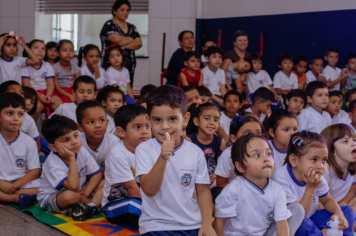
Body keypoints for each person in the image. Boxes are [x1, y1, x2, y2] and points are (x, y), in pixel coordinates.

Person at [135, 85, 216, 235]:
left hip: (192, 225)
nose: (165, 126)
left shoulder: (195, 152)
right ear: (149, 121)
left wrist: (207, 224)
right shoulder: (144, 149)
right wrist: (163, 158)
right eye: (157, 120)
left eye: (172, 119)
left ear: (185, 119)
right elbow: (149, 190)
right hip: (156, 226)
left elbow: (203, 191)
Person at [271, 131, 355, 236]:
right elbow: (297, 217)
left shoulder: (316, 174)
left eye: (324, 160)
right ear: (294, 160)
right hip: (293, 224)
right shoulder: (281, 179)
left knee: (347, 211)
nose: (320, 166)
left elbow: (327, 200)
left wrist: (339, 215)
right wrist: (310, 188)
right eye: (314, 159)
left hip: (312, 217)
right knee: (304, 224)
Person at [214, 134, 296, 236]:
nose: (266, 159)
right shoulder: (233, 190)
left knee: (296, 210)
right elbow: (219, 221)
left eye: (268, 153)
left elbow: (282, 225)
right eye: (257, 155)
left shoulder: (278, 190)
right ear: (240, 166)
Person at [38, 115, 103, 221]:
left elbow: (96, 174)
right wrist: (71, 158)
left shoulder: (80, 150)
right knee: (70, 196)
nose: (74, 141)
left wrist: (86, 192)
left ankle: (89, 207)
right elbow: (73, 186)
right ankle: (95, 205)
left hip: (81, 191)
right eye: (66, 140)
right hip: (55, 197)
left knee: (106, 182)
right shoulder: (52, 163)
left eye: (75, 135)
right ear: (54, 147)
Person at [102, 104, 151, 227]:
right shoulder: (118, 154)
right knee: (133, 207)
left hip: (143, 198)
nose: (145, 131)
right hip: (116, 204)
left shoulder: (150, 148)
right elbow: (131, 189)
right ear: (121, 131)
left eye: (147, 126)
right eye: (137, 127)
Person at [0, 93, 40, 209]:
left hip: (22, 184)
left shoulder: (29, 142)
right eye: (9, 113)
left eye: (20, 114)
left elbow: (34, 171)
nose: (16, 118)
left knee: (43, 188)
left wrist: (15, 186)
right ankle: (14, 198)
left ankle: (8, 196)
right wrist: (2, 184)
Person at [321, 124, 356, 231]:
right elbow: (318, 200)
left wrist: (343, 205)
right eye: (346, 141)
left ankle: (348, 225)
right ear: (332, 150)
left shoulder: (352, 167)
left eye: (354, 140)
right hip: (324, 209)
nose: (353, 144)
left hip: (342, 205)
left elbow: (351, 191)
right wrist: (337, 210)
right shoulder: (326, 171)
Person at [100, 0, 142, 88]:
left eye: (127, 10)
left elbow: (138, 44)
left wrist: (124, 45)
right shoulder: (109, 25)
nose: (125, 13)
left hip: (129, 63)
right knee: (111, 89)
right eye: (122, 10)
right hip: (110, 63)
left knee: (126, 88)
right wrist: (131, 39)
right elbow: (118, 40)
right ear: (115, 11)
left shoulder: (132, 27)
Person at [215, 116, 262, 189]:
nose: (254, 136)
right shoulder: (228, 155)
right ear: (233, 138)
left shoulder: (263, 154)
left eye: (258, 133)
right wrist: (245, 189)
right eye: (247, 133)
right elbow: (220, 184)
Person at [21, 39, 63, 121]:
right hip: (32, 92)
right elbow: (26, 85)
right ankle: (30, 131)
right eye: (36, 48)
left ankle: (53, 130)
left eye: (43, 49)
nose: (40, 51)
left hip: (47, 92)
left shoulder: (47, 65)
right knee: (37, 107)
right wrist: (39, 96)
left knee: (61, 107)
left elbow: (51, 84)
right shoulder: (25, 66)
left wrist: (49, 95)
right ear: (29, 50)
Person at [186, 103, 226, 186]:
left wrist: (216, 175)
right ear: (196, 121)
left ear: (218, 124)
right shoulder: (189, 140)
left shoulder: (220, 142)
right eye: (207, 118)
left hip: (212, 182)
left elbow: (221, 167)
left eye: (216, 120)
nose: (212, 122)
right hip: (193, 181)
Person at [76, 100, 120, 173]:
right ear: (80, 128)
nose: (98, 125)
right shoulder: (77, 143)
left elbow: (111, 175)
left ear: (107, 123)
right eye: (91, 122)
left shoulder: (114, 142)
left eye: (102, 120)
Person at [0, 81, 41, 151]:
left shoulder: (29, 120)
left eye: (21, 93)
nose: (19, 95)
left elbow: (37, 145)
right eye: (10, 113)